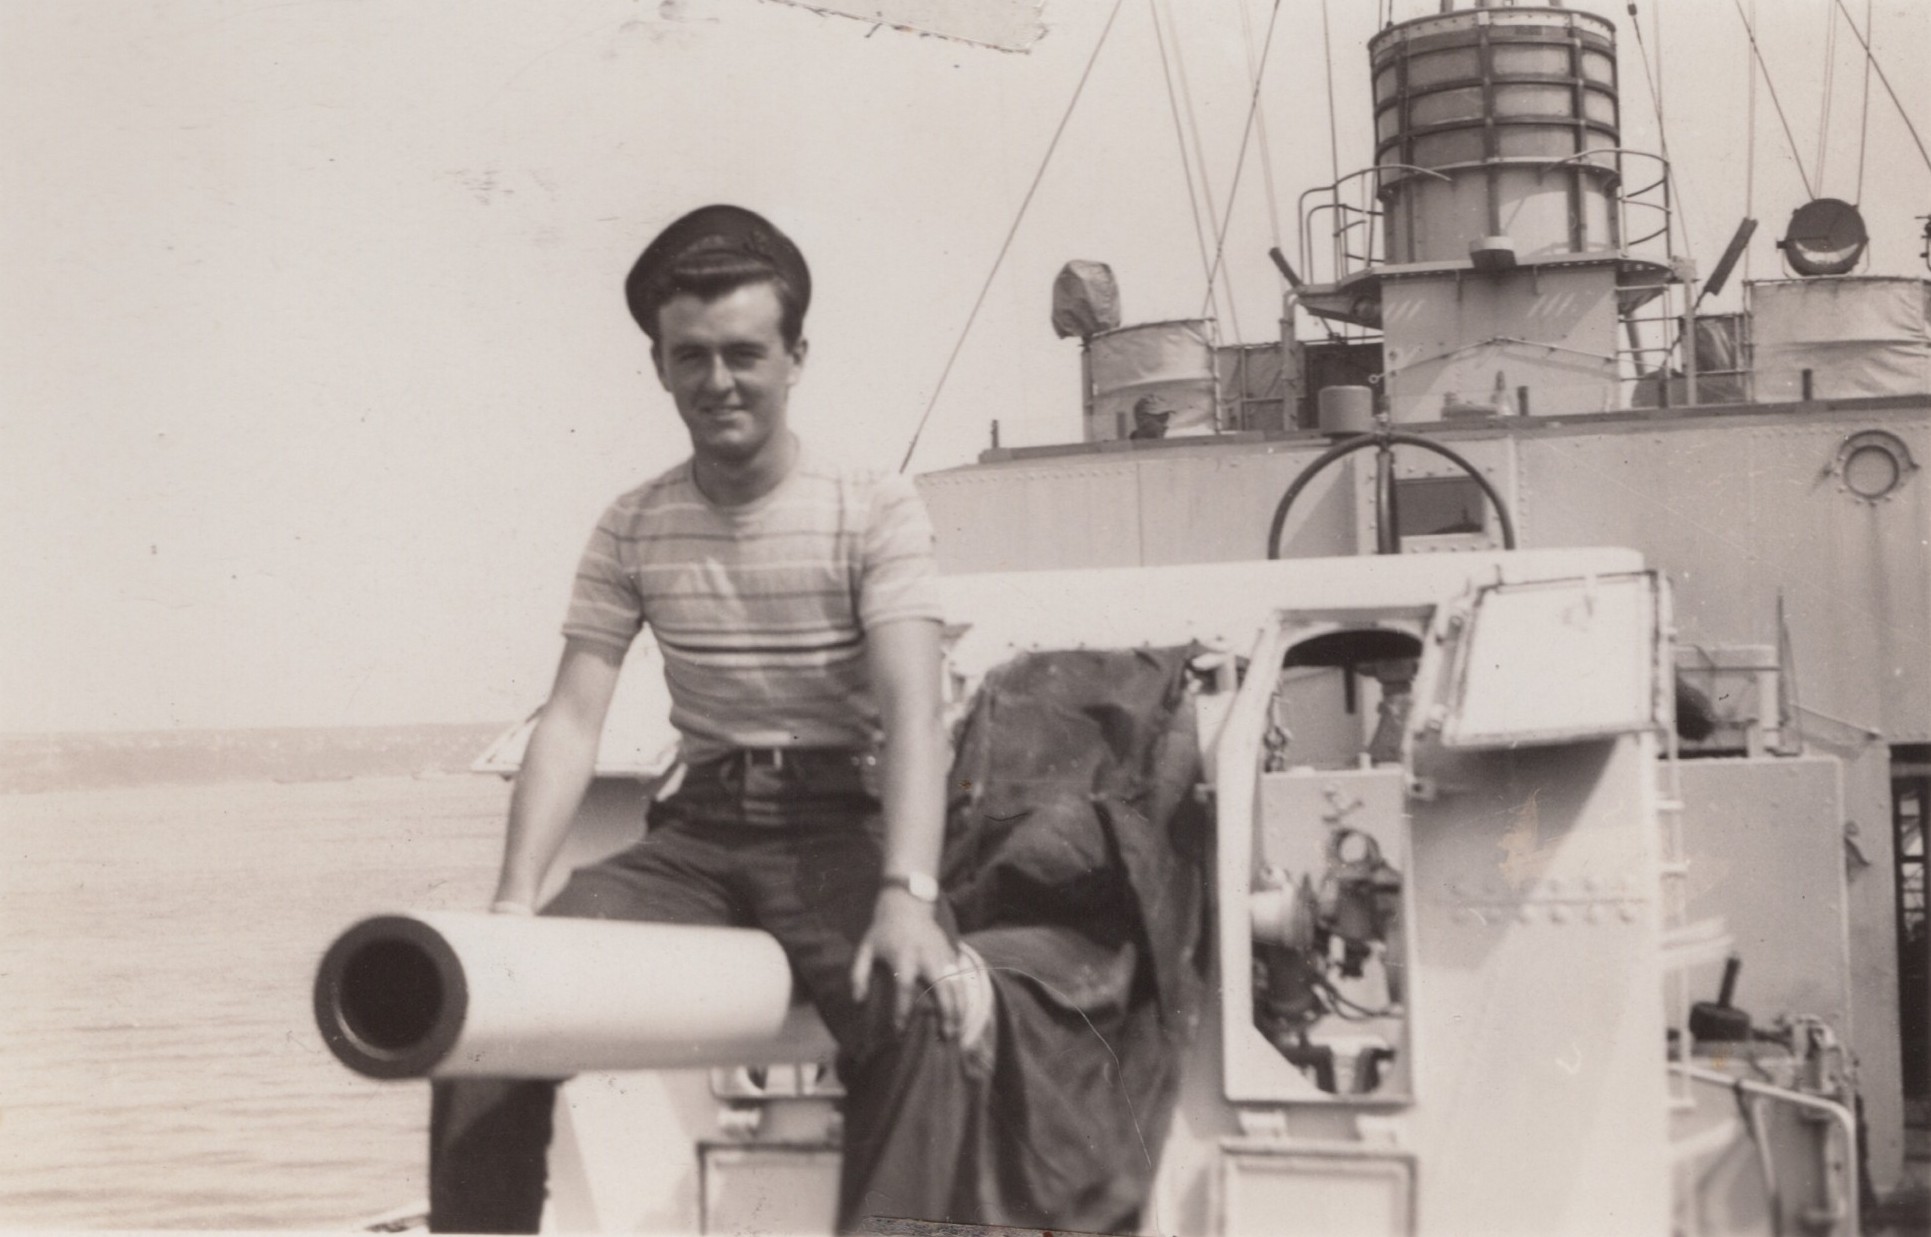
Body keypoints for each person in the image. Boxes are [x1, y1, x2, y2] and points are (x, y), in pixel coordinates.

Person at [428, 204, 975, 1234]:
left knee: (919, 1012)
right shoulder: (632, 523)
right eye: (691, 356)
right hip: (698, 837)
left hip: (839, 828)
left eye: (743, 353)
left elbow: (913, 714)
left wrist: (907, 893)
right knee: (495, 1004)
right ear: (659, 366)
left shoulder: (873, 506)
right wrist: (511, 907)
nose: (717, 381)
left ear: (795, 357)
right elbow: (572, 719)